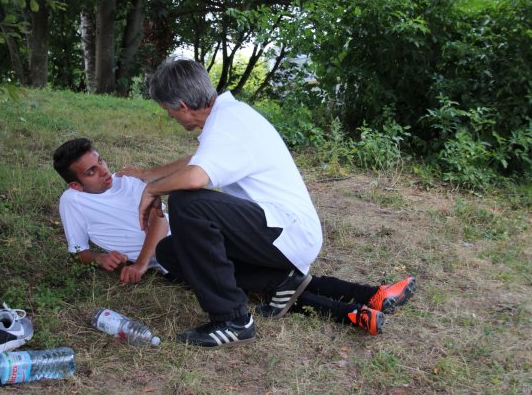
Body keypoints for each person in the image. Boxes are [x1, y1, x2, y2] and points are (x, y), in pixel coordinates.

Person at [119, 58, 414, 348]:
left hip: (287, 230)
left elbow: (195, 177)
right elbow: (196, 162)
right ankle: (360, 294)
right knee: (171, 252)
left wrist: (153, 189)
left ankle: (232, 321)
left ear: (182, 106)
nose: (171, 118)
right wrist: (148, 175)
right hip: (273, 232)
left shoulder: (229, 123)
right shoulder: (228, 118)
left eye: (169, 112)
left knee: (187, 203)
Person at [52, 138, 170, 284]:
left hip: (182, 229)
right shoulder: (72, 201)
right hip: (171, 254)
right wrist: (99, 258)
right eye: (91, 172)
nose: (103, 171)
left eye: (100, 161)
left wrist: (140, 265)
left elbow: (160, 219)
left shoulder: (126, 180)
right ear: (76, 185)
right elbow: (78, 251)